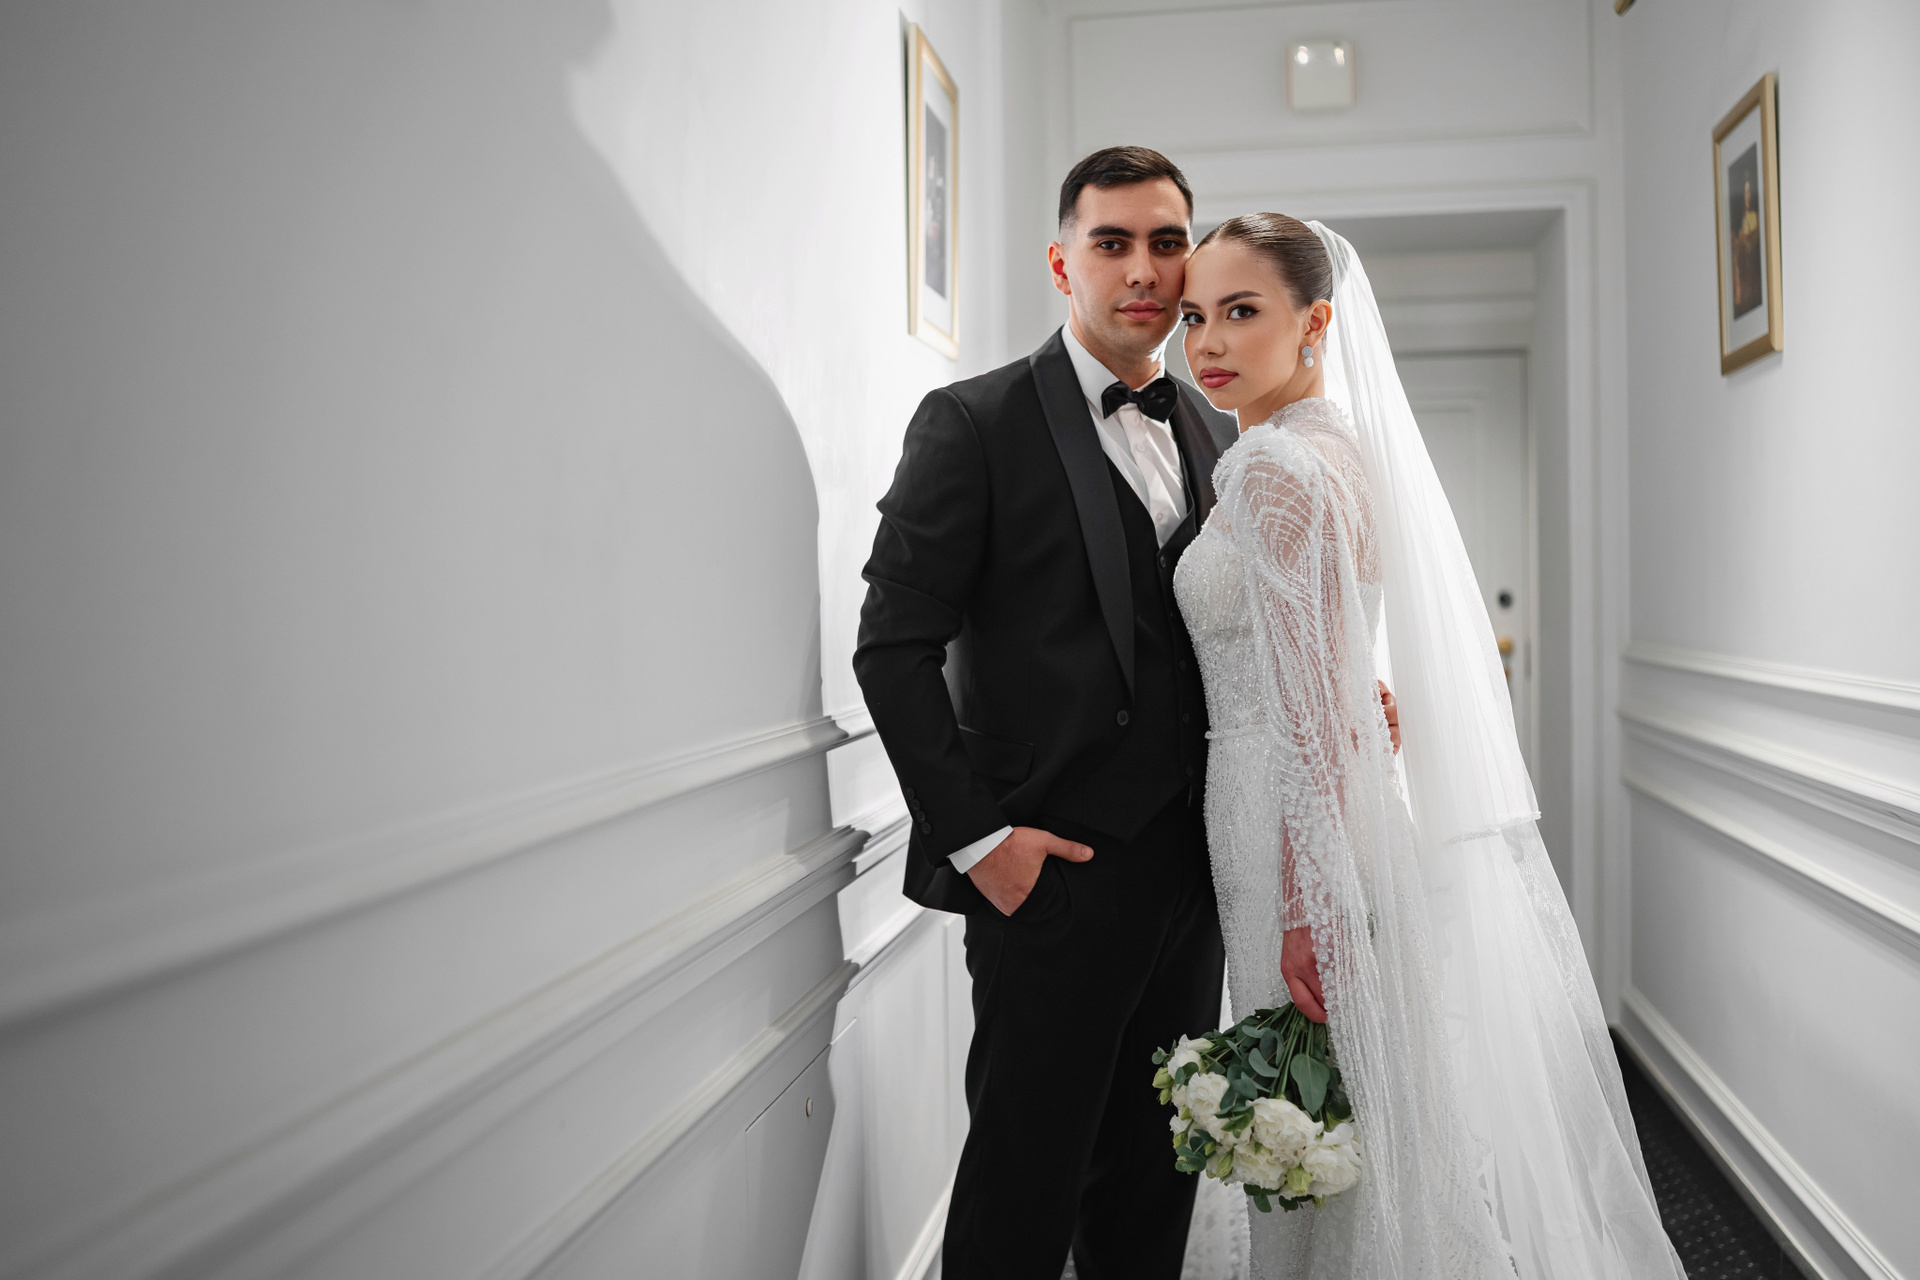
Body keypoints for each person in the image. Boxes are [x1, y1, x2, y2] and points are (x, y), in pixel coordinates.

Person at [1171, 213, 1686, 1279]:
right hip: (1331, 803)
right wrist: (1365, 711)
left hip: (1285, 816)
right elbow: (1333, 668)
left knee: (1325, 1087)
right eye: (1193, 316)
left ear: (1315, 322)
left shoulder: (1269, 466)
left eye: (1240, 311)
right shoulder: (1338, 449)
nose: (1206, 342)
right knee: (1372, 1095)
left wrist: (1311, 903)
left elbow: (1309, 712)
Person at [856, 147, 1337, 1278]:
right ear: (1061, 261)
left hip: (1198, 875)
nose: (1145, 270)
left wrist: (1346, 690)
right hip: (1050, 881)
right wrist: (980, 841)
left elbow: (1243, 633)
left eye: (1167, 243)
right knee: (1020, 1194)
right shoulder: (972, 422)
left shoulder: (1218, 428)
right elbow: (892, 646)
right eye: (1112, 242)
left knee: (1152, 1188)